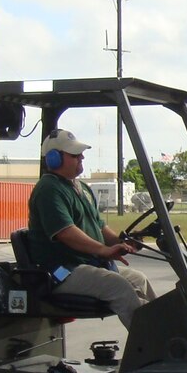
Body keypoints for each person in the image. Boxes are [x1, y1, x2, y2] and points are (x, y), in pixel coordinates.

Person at [27, 129, 156, 329]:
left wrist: (123, 242)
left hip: (88, 265)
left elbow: (99, 226)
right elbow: (66, 232)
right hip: (61, 271)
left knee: (139, 279)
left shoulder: (82, 189)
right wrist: (104, 250)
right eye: (74, 155)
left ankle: (168, 332)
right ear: (53, 158)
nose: (82, 157)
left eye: (80, 154)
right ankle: (152, 345)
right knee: (119, 287)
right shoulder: (49, 189)